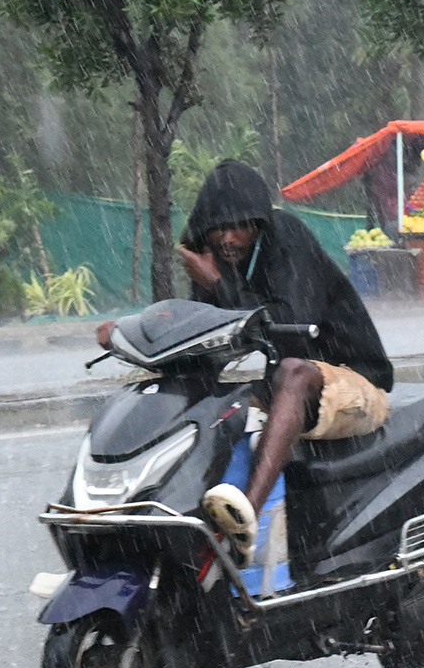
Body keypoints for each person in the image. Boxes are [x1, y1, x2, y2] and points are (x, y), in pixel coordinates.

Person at [97, 159, 393, 566]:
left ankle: (247, 515)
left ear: (259, 223)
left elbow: (290, 327)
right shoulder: (214, 259)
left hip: (350, 380)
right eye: (219, 227)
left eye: (241, 226)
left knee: (293, 373)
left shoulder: (286, 236)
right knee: (205, 405)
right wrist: (130, 336)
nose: (229, 237)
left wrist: (219, 284)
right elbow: (198, 344)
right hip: (286, 391)